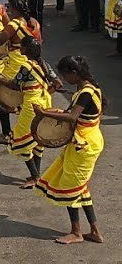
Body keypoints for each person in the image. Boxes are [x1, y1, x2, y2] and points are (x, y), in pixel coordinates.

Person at [34, 55, 105, 245]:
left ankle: (76, 232)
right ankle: (95, 231)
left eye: (66, 75)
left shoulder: (85, 93)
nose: (65, 79)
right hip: (87, 141)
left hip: (84, 144)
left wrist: (44, 113)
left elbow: (73, 117)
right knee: (81, 188)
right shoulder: (90, 88)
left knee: (70, 188)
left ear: (75, 73)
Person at [0, 0, 52, 187]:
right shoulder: (44, 64)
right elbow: (56, 84)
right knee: (38, 138)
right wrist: (41, 90)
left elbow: (14, 85)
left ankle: (35, 177)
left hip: (32, 105)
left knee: (20, 139)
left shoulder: (25, 66)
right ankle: (37, 174)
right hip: (45, 101)